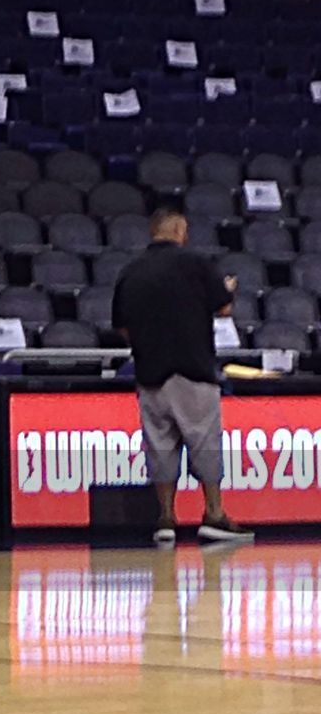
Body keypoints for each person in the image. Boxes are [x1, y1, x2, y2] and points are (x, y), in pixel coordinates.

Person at [111, 209, 253, 545]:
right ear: (178, 229)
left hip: (150, 374)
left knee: (159, 446)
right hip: (193, 369)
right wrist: (228, 289)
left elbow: (121, 326)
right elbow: (223, 308)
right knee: (204, 441)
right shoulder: (196, 263)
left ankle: (165, 520)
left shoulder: (131, 271)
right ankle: (214, 515)